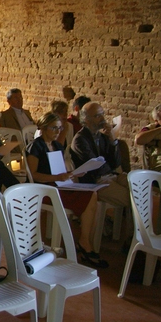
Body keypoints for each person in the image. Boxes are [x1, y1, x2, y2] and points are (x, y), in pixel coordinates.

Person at [26, 112, 107, 268]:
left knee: (92, 194)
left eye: (60, 128)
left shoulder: (57, 145)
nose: (58, 132)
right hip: (42, 189)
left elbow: (59, 170)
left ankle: (85, 240)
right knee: (89, 197)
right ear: (43, 128)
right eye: (54, 128)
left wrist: (73, 174)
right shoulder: (36, 146)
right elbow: (34, 175)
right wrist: (58, 177)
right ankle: (85, 243)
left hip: (58, 185)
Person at [70, 102, 130, 208]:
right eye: (97, 116)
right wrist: (109, 168)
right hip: (96, 181)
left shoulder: (102, 137)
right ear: (87, 120)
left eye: (102, 114)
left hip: (112, 176)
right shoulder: (80, 140)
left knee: (141, 187)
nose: (103, 118)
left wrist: (113, 141)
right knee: (132, 198)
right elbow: (95, 167)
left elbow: (116, 163)